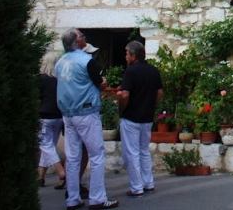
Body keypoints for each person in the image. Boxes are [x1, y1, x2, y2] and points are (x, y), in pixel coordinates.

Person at [55, 28, 119, 210]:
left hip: (67, 113)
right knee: (97, 155)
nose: (84, 38)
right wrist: (104, 83)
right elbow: (99, 83)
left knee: (73, 157)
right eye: (82, 36)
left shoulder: (60, 63)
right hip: (86, 111)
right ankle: (97, 198)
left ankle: (73, 198)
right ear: (77, 42)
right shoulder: (86, 61)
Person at [118, 41, 163, 198]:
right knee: (144, 150)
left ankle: (136, 187)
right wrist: (151, 105)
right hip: (147, 117)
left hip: (131, 116)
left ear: (133, 56)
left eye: (127, 54)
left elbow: (125, 94)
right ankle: (148, 183)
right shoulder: (153, 71)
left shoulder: (130, 72)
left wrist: (121, 108)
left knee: (132, 152)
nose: (125, 57)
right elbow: (159, 92)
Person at [37, 51, 67, 189]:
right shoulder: (61, 80)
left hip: (44, 116)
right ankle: (40, 176)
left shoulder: (41, 79)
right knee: (49, 147)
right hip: (59, 117)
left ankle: (61, 172)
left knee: (45, 146)